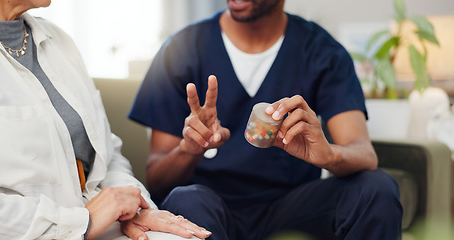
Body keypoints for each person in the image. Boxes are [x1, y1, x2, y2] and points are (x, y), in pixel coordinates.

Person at [129, 0, 403, 239]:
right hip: (207, 210)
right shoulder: (181, 49)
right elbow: (157, 180)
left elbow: (364, 153)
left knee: (376, 188)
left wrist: (329, 155)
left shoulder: (323, 52)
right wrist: (188, 150)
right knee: (185, 198)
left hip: (291, 210)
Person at [0, 1, 212, 240]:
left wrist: (134, 206)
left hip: (99, 222)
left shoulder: (58, 41)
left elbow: (106, 152)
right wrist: (82, 221)